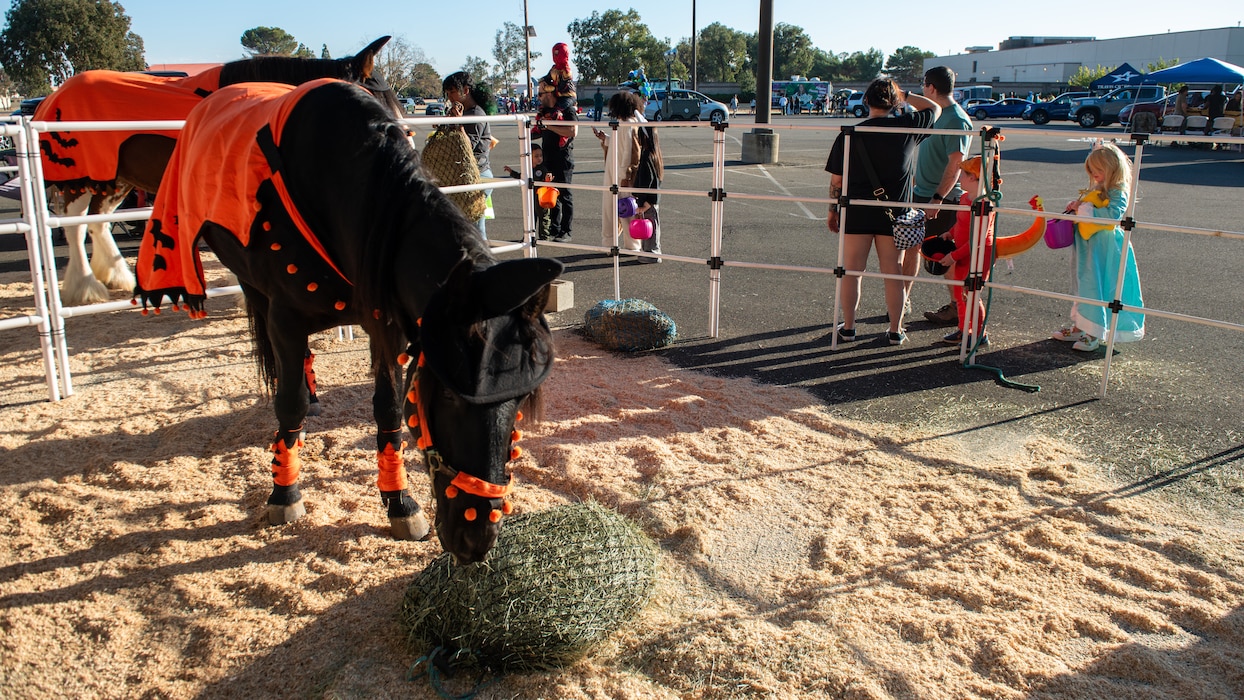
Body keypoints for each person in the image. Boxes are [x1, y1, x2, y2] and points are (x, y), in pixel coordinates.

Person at [826, 78, 940, 346]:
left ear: (866, 101)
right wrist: (906, 95)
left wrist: (833, 210)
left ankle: (850, 328)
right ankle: (895, 329)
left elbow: (836, 181)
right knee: (893, 270)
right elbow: (934, 108)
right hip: (895, 213)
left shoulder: (849, 134)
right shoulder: (908, 127)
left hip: (858, 209)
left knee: (852, 270)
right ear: (894, 103)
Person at [1051, 142, 1145, 351]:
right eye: (1092, 171)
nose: (1094, 175)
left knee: (1099, 286)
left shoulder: (1118, 190)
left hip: (1105, 248)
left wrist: (1082, 209)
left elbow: (1113, 215)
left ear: (1113, 169)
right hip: (1088, 246)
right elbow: (1090, 209)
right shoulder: (1099, 188)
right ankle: (1080, 326)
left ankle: (1094, 332)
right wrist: (1076, 208)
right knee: (1083, 285)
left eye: (1099, 171)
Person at [913, 67, 974, 326]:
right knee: (913, 249)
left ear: (931, 87)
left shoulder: (956, 120)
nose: (922, 89)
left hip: (941, 201)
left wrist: (938, 198)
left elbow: (955, 164)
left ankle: (957, 309)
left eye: (923, 85)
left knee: (949, 258)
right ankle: (903, 298)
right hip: (921, 194)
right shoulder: (934, 113)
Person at [934, 156, 994, 346]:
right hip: (961, 251)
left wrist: (953, 256)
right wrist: (949, 234)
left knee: (972, 292)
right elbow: (960, 223)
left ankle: (978, 334)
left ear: (974, 177)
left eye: (963, 174)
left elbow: (978, 239)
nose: (959, 178)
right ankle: (963, 329)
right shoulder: (964, 198)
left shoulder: (985, 204)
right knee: (960, 293)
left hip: (977, 255)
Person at [442, 71, 496, 238]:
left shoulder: (476, 114)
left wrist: (457, 124)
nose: (450, 96)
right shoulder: (465, 113)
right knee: (473, 225)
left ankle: (481, 260)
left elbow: (468, 145)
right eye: (448, 92)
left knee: (472, 226)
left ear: (465, 91)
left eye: (452, 91)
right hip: (470, 175)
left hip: (479, 174)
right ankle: (481, 260)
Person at [593, 92, 644, 250]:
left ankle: (623, 244)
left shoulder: (627, 123)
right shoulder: (626, 123)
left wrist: (625, 175)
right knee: (621, 209)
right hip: (615, 172)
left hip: (619, 175)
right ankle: (619, 244)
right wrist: (606, 138)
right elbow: (620, 145)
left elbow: (628, 151)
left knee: (623, 209)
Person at [534, 77, 578, 243]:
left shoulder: (567, 110)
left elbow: (572, 131)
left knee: (565, 195)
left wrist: (548, 125)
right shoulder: (544, 111)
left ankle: (566, 231)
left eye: (540, 94)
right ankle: (555, 227)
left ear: (550, 93)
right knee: (551, 192)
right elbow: (539, 130)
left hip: (563, 157)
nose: (538, 97)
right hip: (548, 156)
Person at [502, 144, 552, 240]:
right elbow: (521, 176)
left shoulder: (543, 169)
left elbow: (546, 182)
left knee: (544, 217)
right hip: (530, 197)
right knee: (530, 217)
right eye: (536, 156)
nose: (539, 158)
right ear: (529, 157)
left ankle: (544, 236)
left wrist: (547, 179)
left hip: (541, 197)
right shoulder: (527, 169)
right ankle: (528, 236)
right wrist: (511, 172)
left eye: (541, 156)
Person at [632, 120, 664, 262]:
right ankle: (649, 251)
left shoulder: (646, 156)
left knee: (650, 226)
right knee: (650, 225)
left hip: (648, 199)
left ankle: (652, 253)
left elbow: (647, 180)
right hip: (651, 199)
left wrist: (641, 202)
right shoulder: (654, 154)